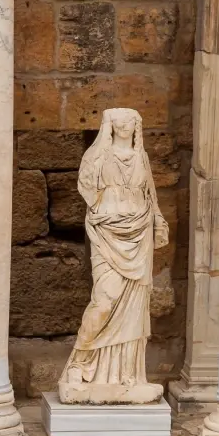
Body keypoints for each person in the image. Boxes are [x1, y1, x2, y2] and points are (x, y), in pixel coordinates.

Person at [59, 109, 167, 404]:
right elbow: (86, 185)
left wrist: (158, 221)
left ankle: (126, 378)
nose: (124, 124)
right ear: (109, 125)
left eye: (130, 120)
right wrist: (102, 141)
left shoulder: (141, 157)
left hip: (139, 234)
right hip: (107, 232)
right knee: (105, 300)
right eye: (117, 120)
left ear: (137, 126)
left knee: (133, 305)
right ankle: (80, 362)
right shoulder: (99, 156)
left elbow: (150, 195)